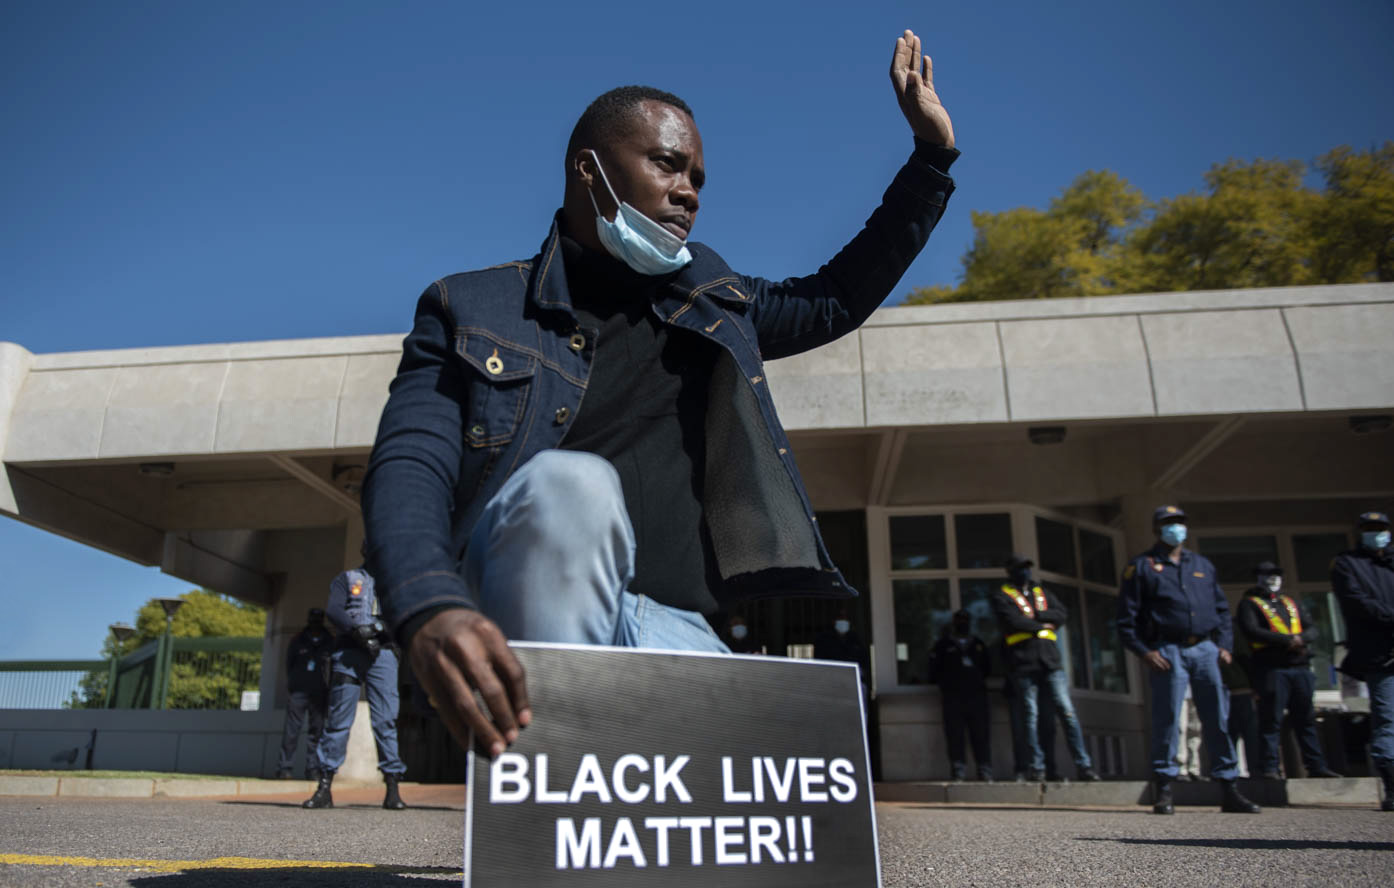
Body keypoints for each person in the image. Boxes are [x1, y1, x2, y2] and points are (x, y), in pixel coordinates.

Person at [359, 30, 958, 759]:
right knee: (572, 487)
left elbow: (832, 299)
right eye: (667, 165)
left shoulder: (717, 302)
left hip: (669, 626)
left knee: (759, 807)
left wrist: (930, 161)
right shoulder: (474, 307)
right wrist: (428, 604)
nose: (688, 193)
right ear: (589, 169)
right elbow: (409, 461)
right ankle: (556, 812)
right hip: (514, 619)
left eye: (699, 179)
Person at [1117, 505, 1260, 814]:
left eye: (1179, 523)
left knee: (1216, 719)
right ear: (1156, 529)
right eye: (1168, 523)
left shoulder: (1202, 566)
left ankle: (1228, 786)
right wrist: (1145, 651)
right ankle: (1165, 788)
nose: (1175, 528)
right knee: (1168, 720)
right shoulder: (1141, 566)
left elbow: (1222, 610)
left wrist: (1224, 645)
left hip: (1205, 650)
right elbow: (1126, 619)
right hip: (1167, 651)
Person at [303, 568, 408, 811]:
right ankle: (324, 787)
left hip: (383, 655)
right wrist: (358, 631)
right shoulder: (347, 578)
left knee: (386, 720)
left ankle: (392, 789)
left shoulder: (395, 577)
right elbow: (335, 610)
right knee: (338, 720)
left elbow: (403, 612)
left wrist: (379, 630)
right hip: (349, 653)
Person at [990, 554, 1100, 783]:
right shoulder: (1002, 595)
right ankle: (1036, 767)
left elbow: (1061, 614)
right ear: (1010, 571)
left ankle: (1084, 766)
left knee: (1067, 712)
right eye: (1020, 568)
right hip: (1023, 662)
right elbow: (1013, 621)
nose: (1025, 572)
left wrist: (1037, 616)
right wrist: (1041, 624)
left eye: (1027, 568)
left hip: (1050, 662)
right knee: (1030, 716)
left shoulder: (1042, 593)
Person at [1236, 560, 1341, 779]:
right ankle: (1269, 768)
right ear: (1258, 577)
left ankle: (1316, 765)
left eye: (1276, 574)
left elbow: (1312, 628)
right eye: (1267, 574)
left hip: (1300, 667)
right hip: (1272, 669)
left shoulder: (1290, 603)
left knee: (1305, 719)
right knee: (1270, 720)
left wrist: (1300, 639)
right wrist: (1286, 641)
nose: (1272, 578)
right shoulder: (1250, 603)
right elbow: (1251, 630)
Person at [1330, 511, 1394, 812]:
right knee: (1388, 720)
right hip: (1381, 655)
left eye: (1381, 528)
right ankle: (1392, 785)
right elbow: (1356, 602)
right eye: (1370, 528)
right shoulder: (1347, 564)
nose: (1377, 533)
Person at [928, 609, 992, 781]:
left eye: (965, 620)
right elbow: (934, 671)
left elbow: (987, 669)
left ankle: (984, 768)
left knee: (980, 733)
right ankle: (958, 769)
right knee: (955, 734)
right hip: (953, 697)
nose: (962, 623)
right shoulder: (943, 645)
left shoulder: (978, 644)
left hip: (977, 696)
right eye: (959, 620)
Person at [275, 608, 333, 779]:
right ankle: (285, 767)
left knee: (317, 732)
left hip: (319, 693)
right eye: (312, 619)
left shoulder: (329, 641)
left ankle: (313, 768)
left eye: (318, 619)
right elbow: (289, 665)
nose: (315, 622)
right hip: (299, 691)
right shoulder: (298, 640)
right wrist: (293, 685)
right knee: (291, 731)